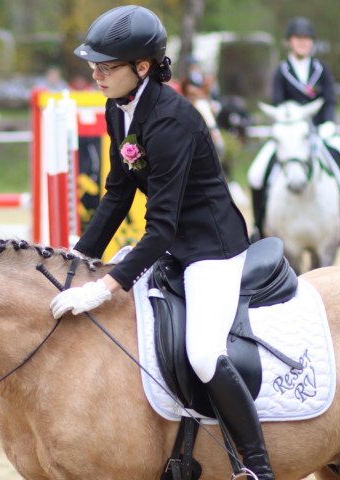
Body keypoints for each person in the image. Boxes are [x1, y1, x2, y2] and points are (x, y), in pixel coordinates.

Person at [49, 6, 273, 479]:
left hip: (212, 248)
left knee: (203, 352)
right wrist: (79, 256)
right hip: (170, 243)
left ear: (142, 67)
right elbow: (117, 192)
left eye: (106, 67)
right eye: (95, 65)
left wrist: (106, 285)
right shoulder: (118, 108)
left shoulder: (172, 121)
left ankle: (256, 467)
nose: (96, 74)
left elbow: (162, 227)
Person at [248, 16, 338, 240]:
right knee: (256, 174)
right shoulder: (282, 71)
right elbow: (279, 103)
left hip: (320, 130)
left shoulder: (321, 69)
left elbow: (329, 99)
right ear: (290, 42)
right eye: (299, 39)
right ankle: (259, 226)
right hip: (289, 133)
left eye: (307, 39)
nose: (303, 43)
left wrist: (327, 123)